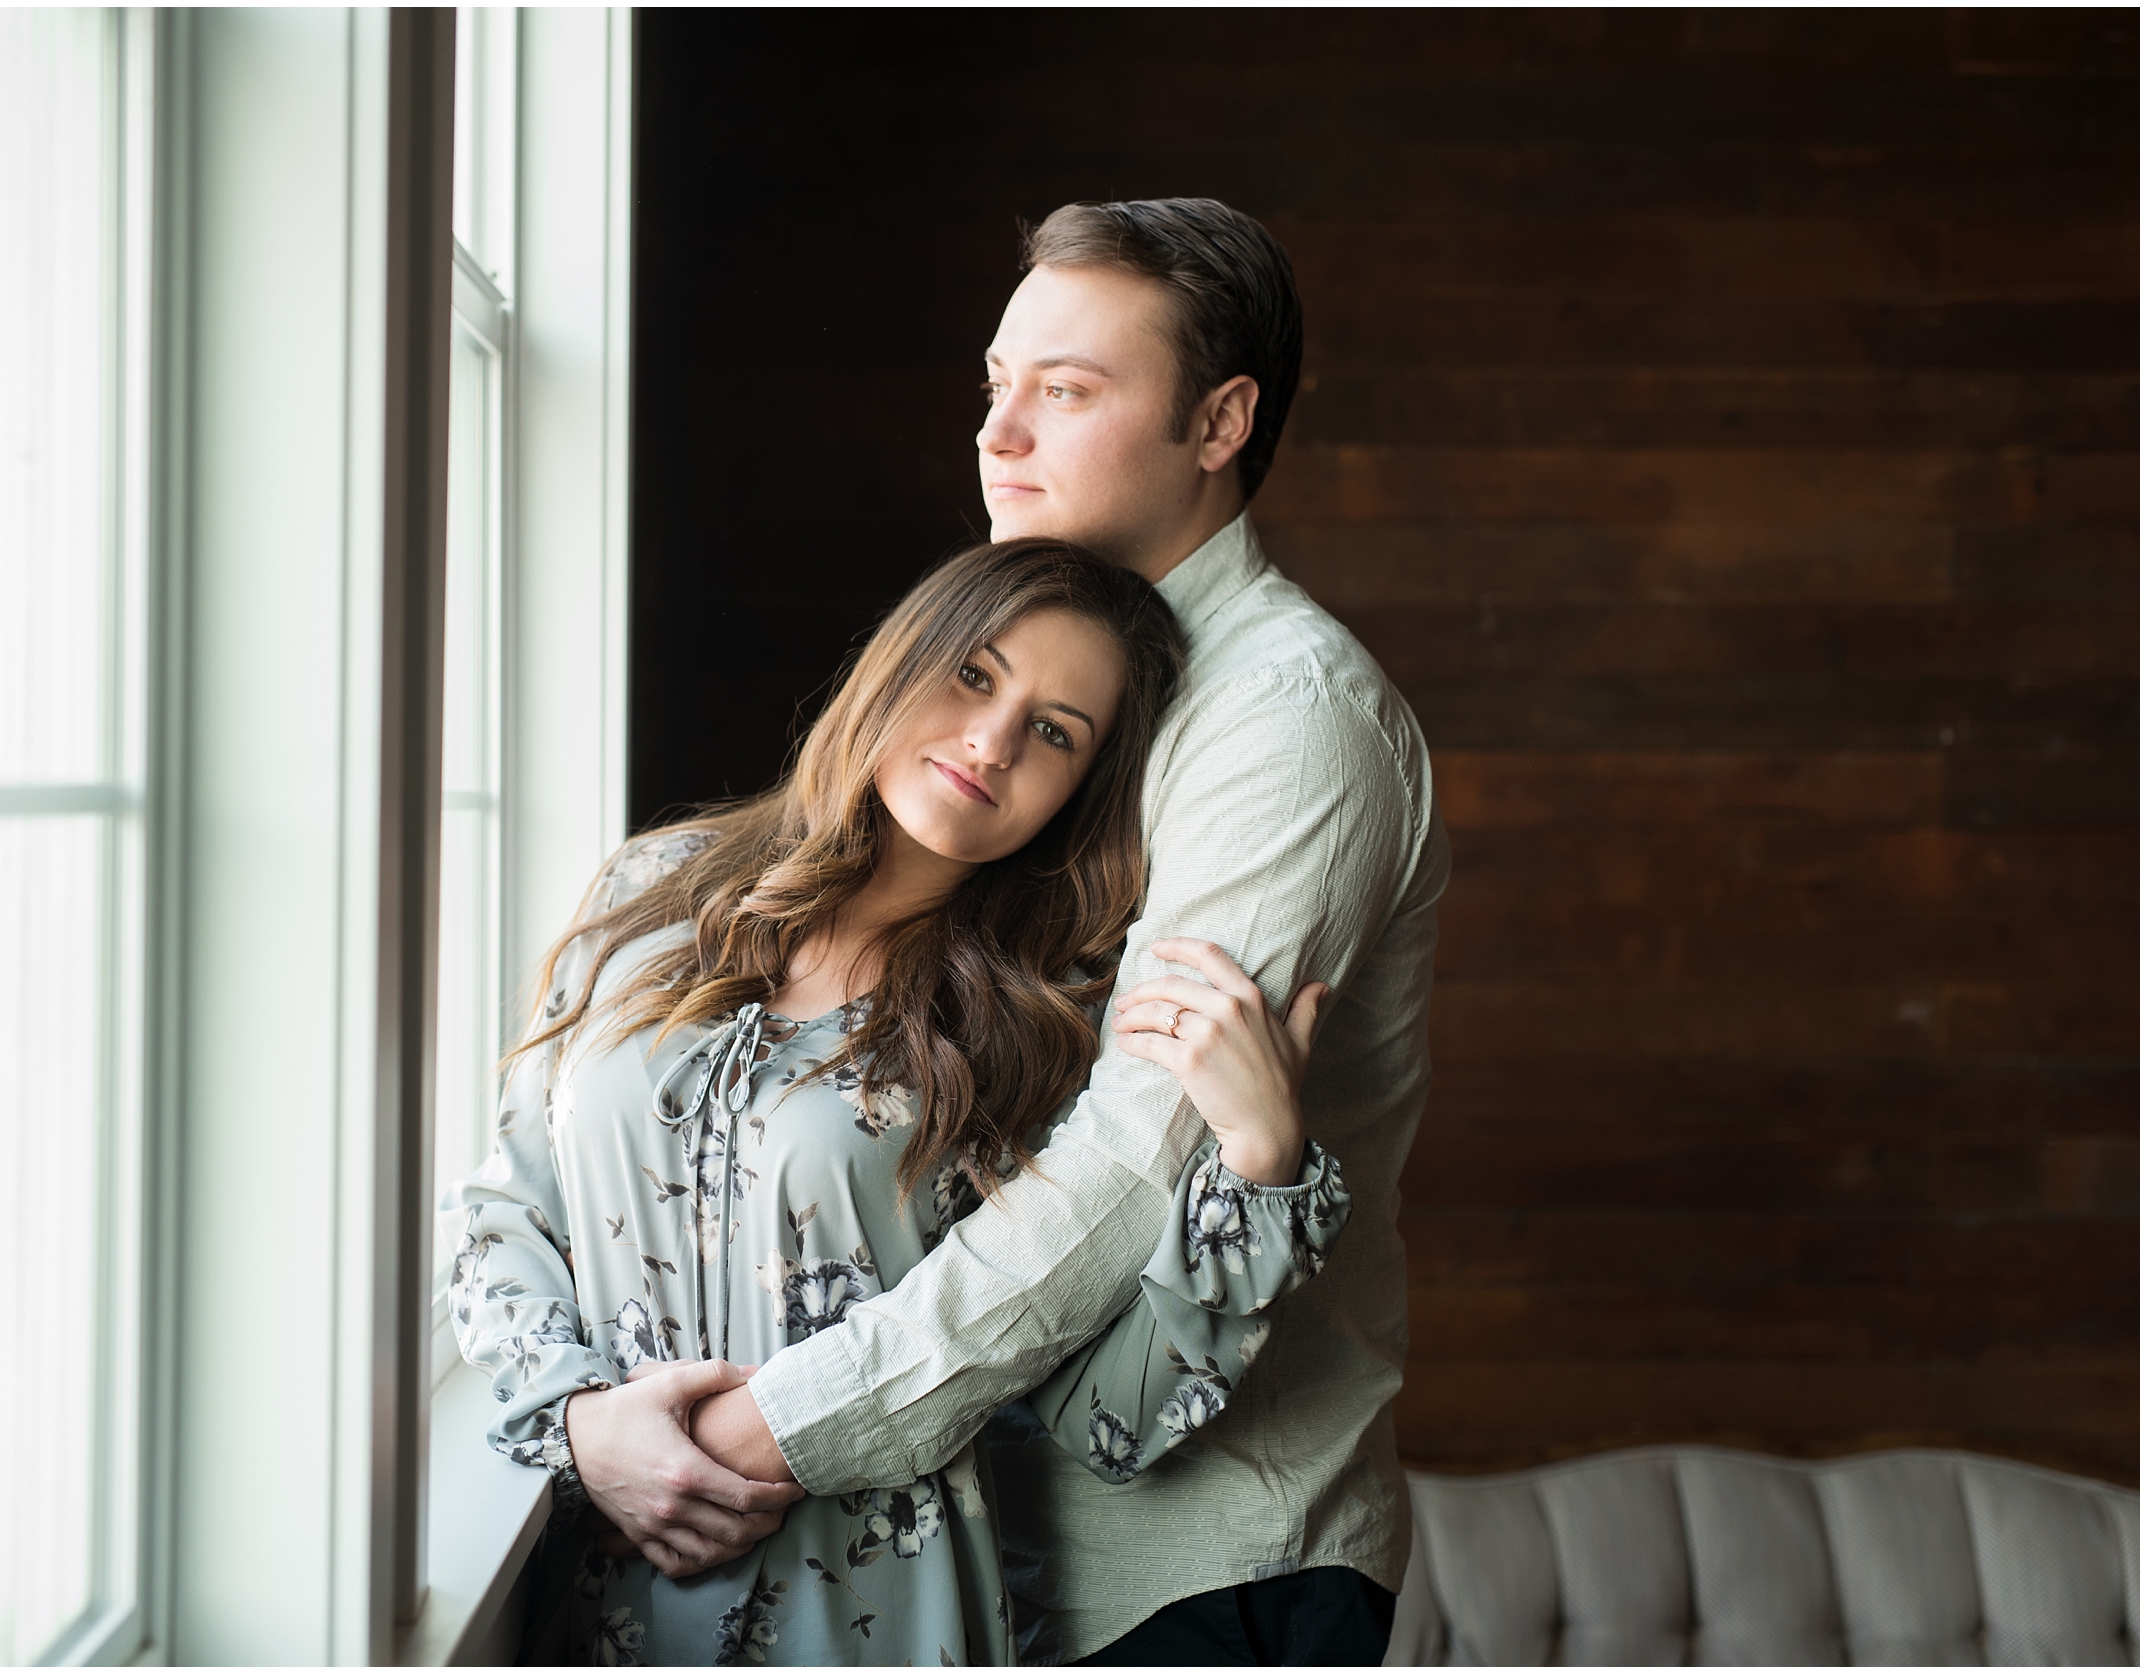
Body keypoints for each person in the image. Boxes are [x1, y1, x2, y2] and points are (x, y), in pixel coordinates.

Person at [586, 199, 1451, 1666]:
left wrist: (765, 1431)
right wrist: (593, 1409)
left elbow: (1131, 1168)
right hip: (962, 1553)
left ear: (1219, 420)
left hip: (1187, 1574)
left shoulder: (1284, 723)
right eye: (998, 385)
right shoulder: (1036, 686)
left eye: (1069, 388)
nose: (1000, 433)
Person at [451, 538, 1358, 1665]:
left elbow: (1109, 1421)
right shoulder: (652, 891)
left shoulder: (1038, 1032)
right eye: (975, 675)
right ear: (900, 658)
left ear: (1079, 793)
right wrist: (581, 1425)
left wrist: (1259, 1163)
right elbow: (500, 1217)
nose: (991, 742)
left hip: (869, 1620)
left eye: (1055, 731)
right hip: (592, 1602)